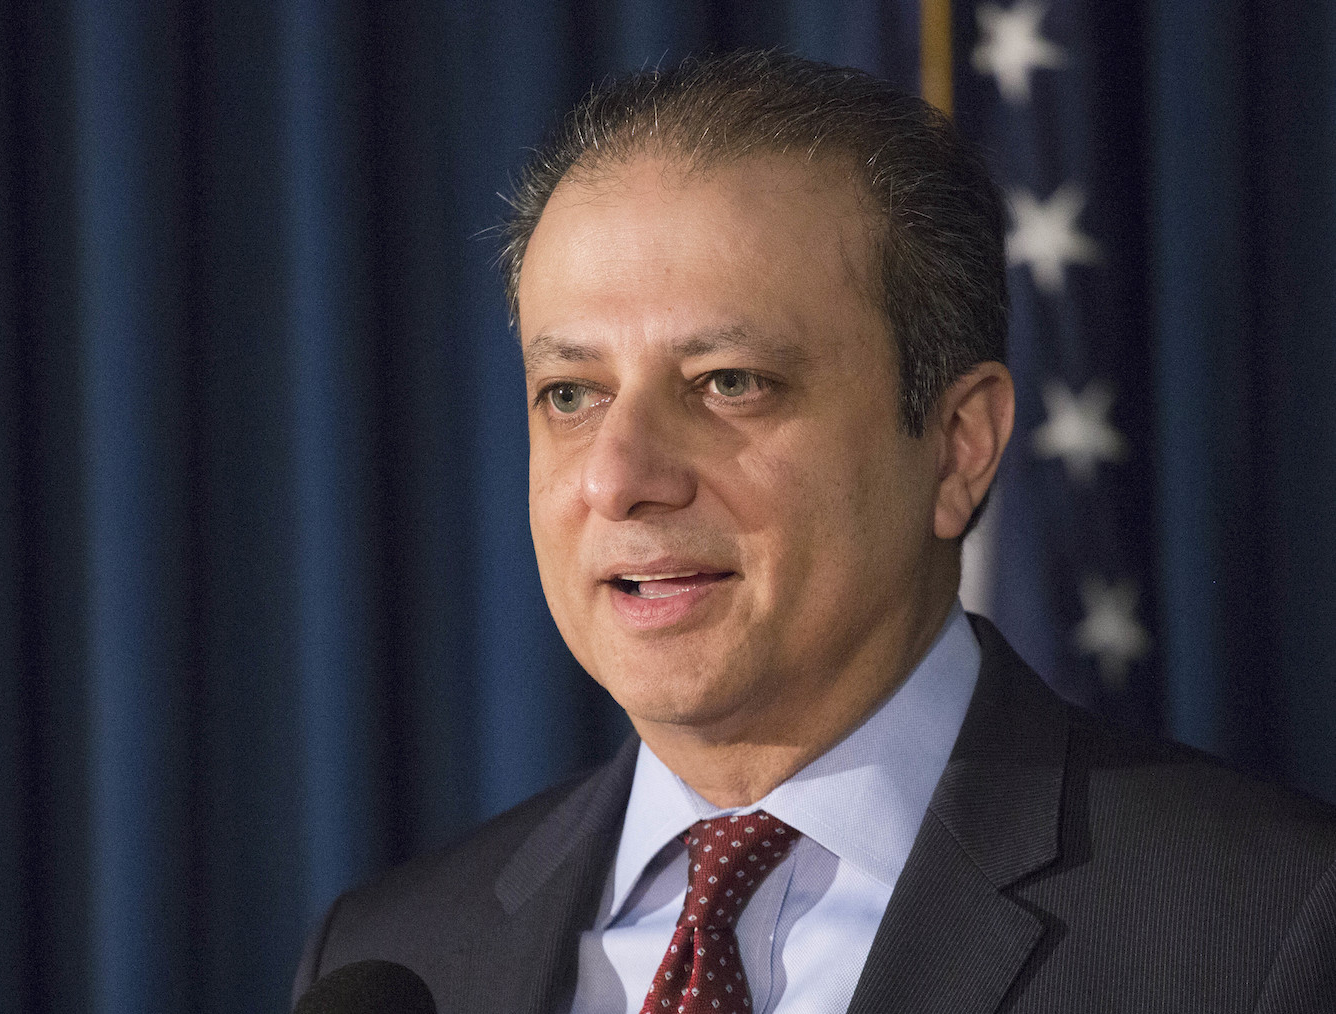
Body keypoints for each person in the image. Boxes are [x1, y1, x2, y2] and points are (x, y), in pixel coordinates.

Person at [291, 51, 1336, 1014]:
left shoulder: (1269, 933)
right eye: (570, 394)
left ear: (958, 446)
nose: (618, 478)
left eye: (729, 383)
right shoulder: (393, 954)